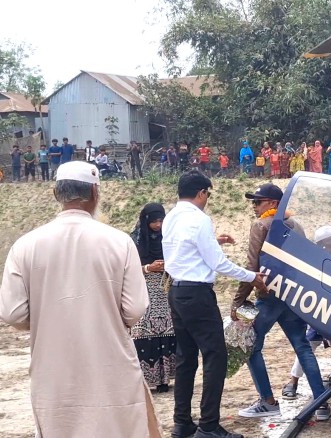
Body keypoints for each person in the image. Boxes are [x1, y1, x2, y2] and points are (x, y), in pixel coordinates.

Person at [0, 161, 163, 437]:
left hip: (53, 370)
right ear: (96, 193)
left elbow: (12, 314)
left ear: (55, 194)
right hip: (112, 366)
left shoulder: (25, 245)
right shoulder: (118, 242)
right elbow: (135, 309)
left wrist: (47, 316)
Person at [162, 170, 267, 438]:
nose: (207, 199)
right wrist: (251, 277)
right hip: (197, 294)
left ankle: (182, 422)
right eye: (207, 194)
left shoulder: (171, 217)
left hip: (176, 292)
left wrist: (214, 241)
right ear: (201, 193)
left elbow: (185, 249)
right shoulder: (199, 219)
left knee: (186, 358)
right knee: (215, 356)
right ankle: (209, 425)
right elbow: (218, 264)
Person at [231, 184, 331, 422]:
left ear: (273, 204)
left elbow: (251, 267)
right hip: (293, 296)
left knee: (252, 346)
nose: (254, 206)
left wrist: (238, 301)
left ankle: (267, 401)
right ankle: (321, 402)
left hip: (268, 297)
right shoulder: (296, 224)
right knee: (302, 347)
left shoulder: (260, 226)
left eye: (258, 202)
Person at [280, 226, 331, 401]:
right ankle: (293, 382)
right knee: (309, 345)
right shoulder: (316, 261)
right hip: (324, 308)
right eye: (328, 242)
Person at [130, 203, 176, 393]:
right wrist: (149, 268)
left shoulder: (169, 238)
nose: (158, 225)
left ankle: (165, 379)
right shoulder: (134, 240)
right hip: (144, 292)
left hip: (166, 290)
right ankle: (145, 380)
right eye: (154, 221)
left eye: (161, 220)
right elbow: (127, 269)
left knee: (168, 330)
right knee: (144, 333)